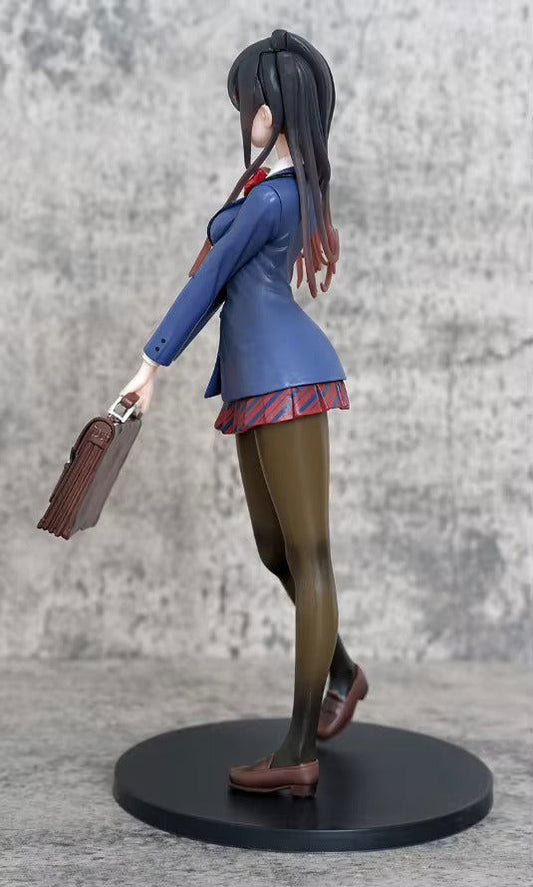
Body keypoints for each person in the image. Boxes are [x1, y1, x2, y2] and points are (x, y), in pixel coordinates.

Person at [120, 29, 368, 798]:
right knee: (273, 548)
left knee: (309, 553)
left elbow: (206, 285)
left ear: (276, 109)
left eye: (253, 104)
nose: (247, 116)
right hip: (254, 382)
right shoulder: (268, 186)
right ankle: (343, 672)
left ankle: (298, 747)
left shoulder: (267, 198)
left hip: (286, 379)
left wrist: (150, 366)